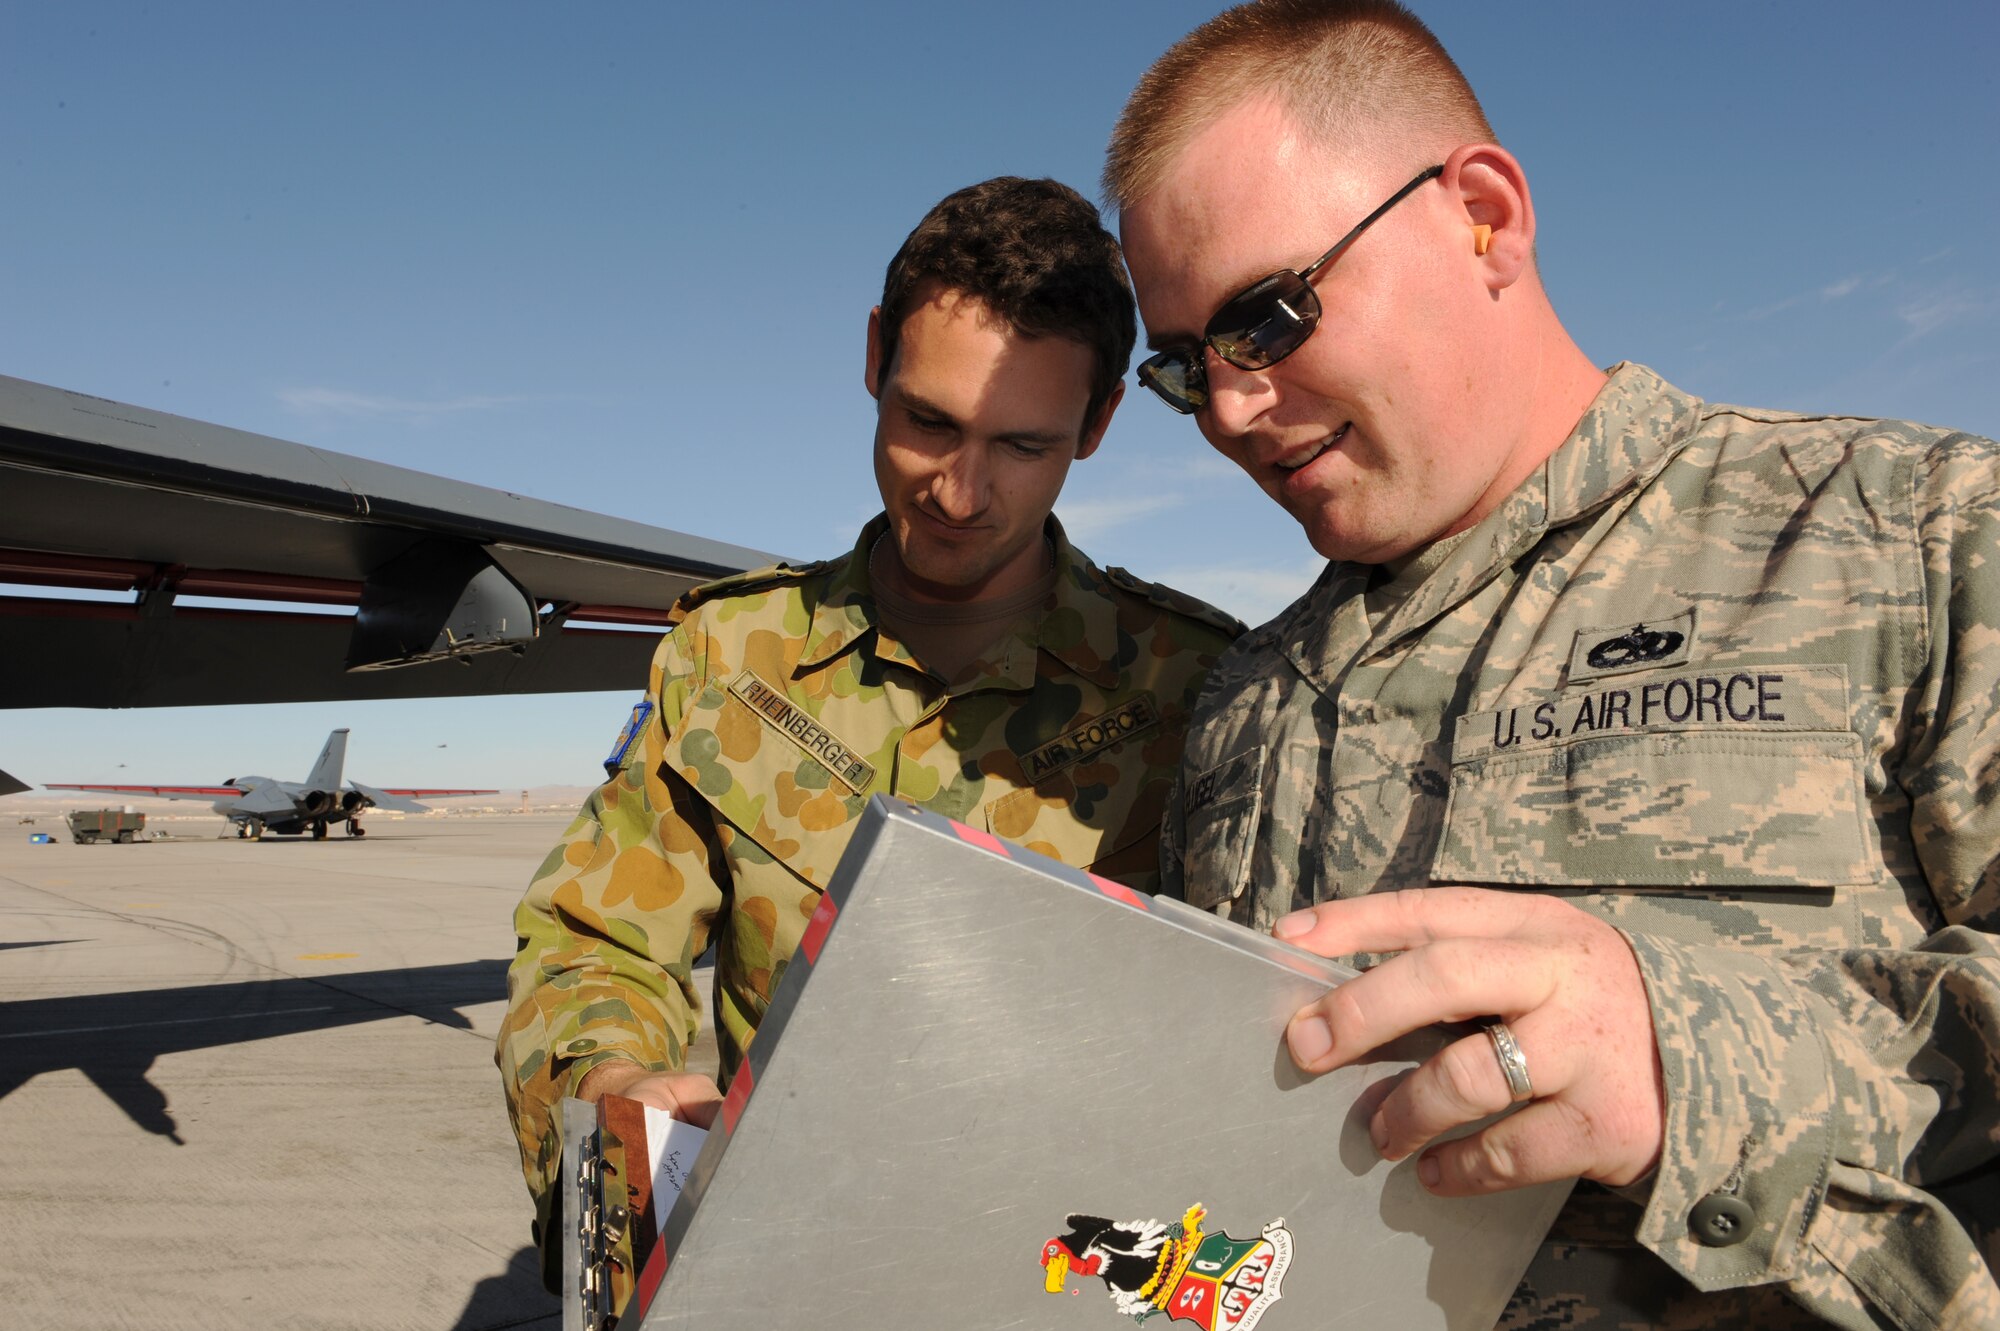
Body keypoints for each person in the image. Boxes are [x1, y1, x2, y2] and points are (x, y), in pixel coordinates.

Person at [1106, 2, 1999, 1326]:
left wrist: (1698, 1065)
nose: (1229, 409)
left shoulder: (1921, 538)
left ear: (1484, 218)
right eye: (1185, 369)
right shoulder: (1248, 697)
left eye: (1268, 317)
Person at [495, 176, 1242, 1280]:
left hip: (1068, 1275)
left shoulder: (1197, 684)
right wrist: (611, 1084)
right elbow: (593, 939)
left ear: (1095, 427)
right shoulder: (730, 656)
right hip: (783, 1262)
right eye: (927, 422)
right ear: (874, 358)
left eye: (1021, 445)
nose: (958, 492)